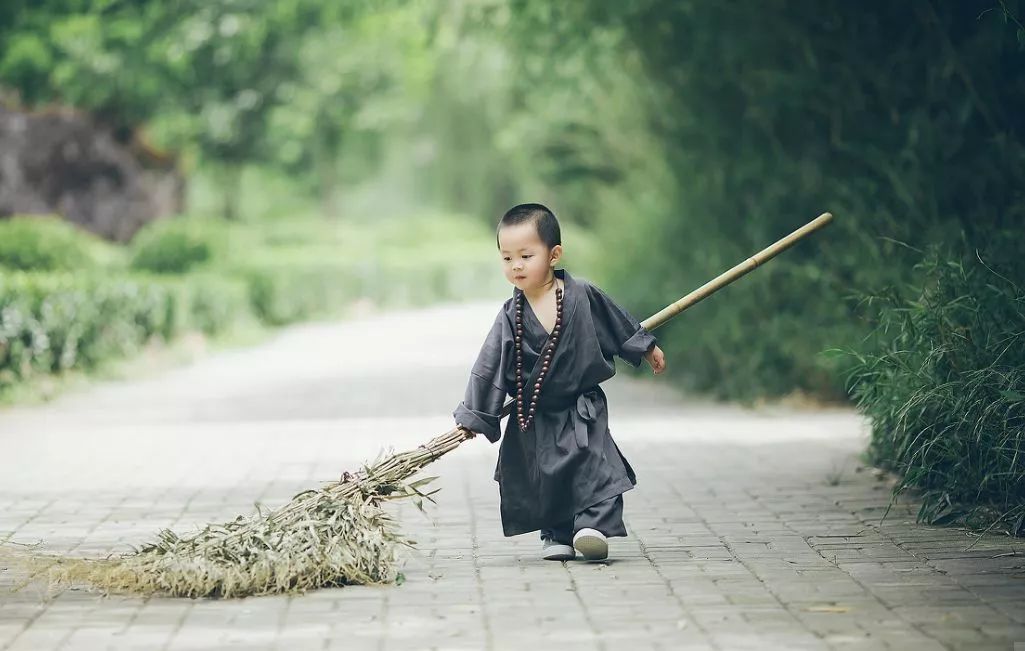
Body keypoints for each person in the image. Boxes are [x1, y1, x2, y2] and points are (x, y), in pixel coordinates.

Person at [454, 203, 666, 562]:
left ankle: (593, 527)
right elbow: (489, 366)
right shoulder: (510, 315)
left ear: (554, 254)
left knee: (598, 465)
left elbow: (617, 324)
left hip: (583, 407)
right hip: (535, 413)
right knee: (548, 474)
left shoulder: (582, 294)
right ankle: (558, 534)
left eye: (526, 255)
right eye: (507, 258)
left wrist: (646, 348)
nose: (516, 266)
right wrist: (475, 415)